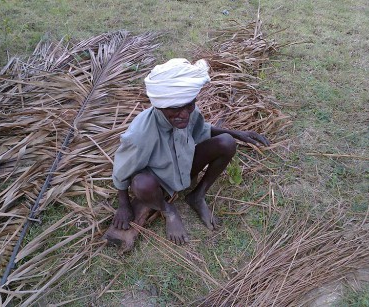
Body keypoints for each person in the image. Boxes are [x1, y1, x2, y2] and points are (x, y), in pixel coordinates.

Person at [104, 58, 269, 248]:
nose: (184, 114)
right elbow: (122, 170)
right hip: (159, 180)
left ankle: (197, 196)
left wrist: (236, 133)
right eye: (175, 109)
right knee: (141, 184)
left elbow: (202, 129)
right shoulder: (140, 134)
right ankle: (168, 210)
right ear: (159, 105)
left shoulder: (187, 111)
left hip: (184, 166)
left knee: (227, 142)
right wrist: (124, 205)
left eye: (189, 105)